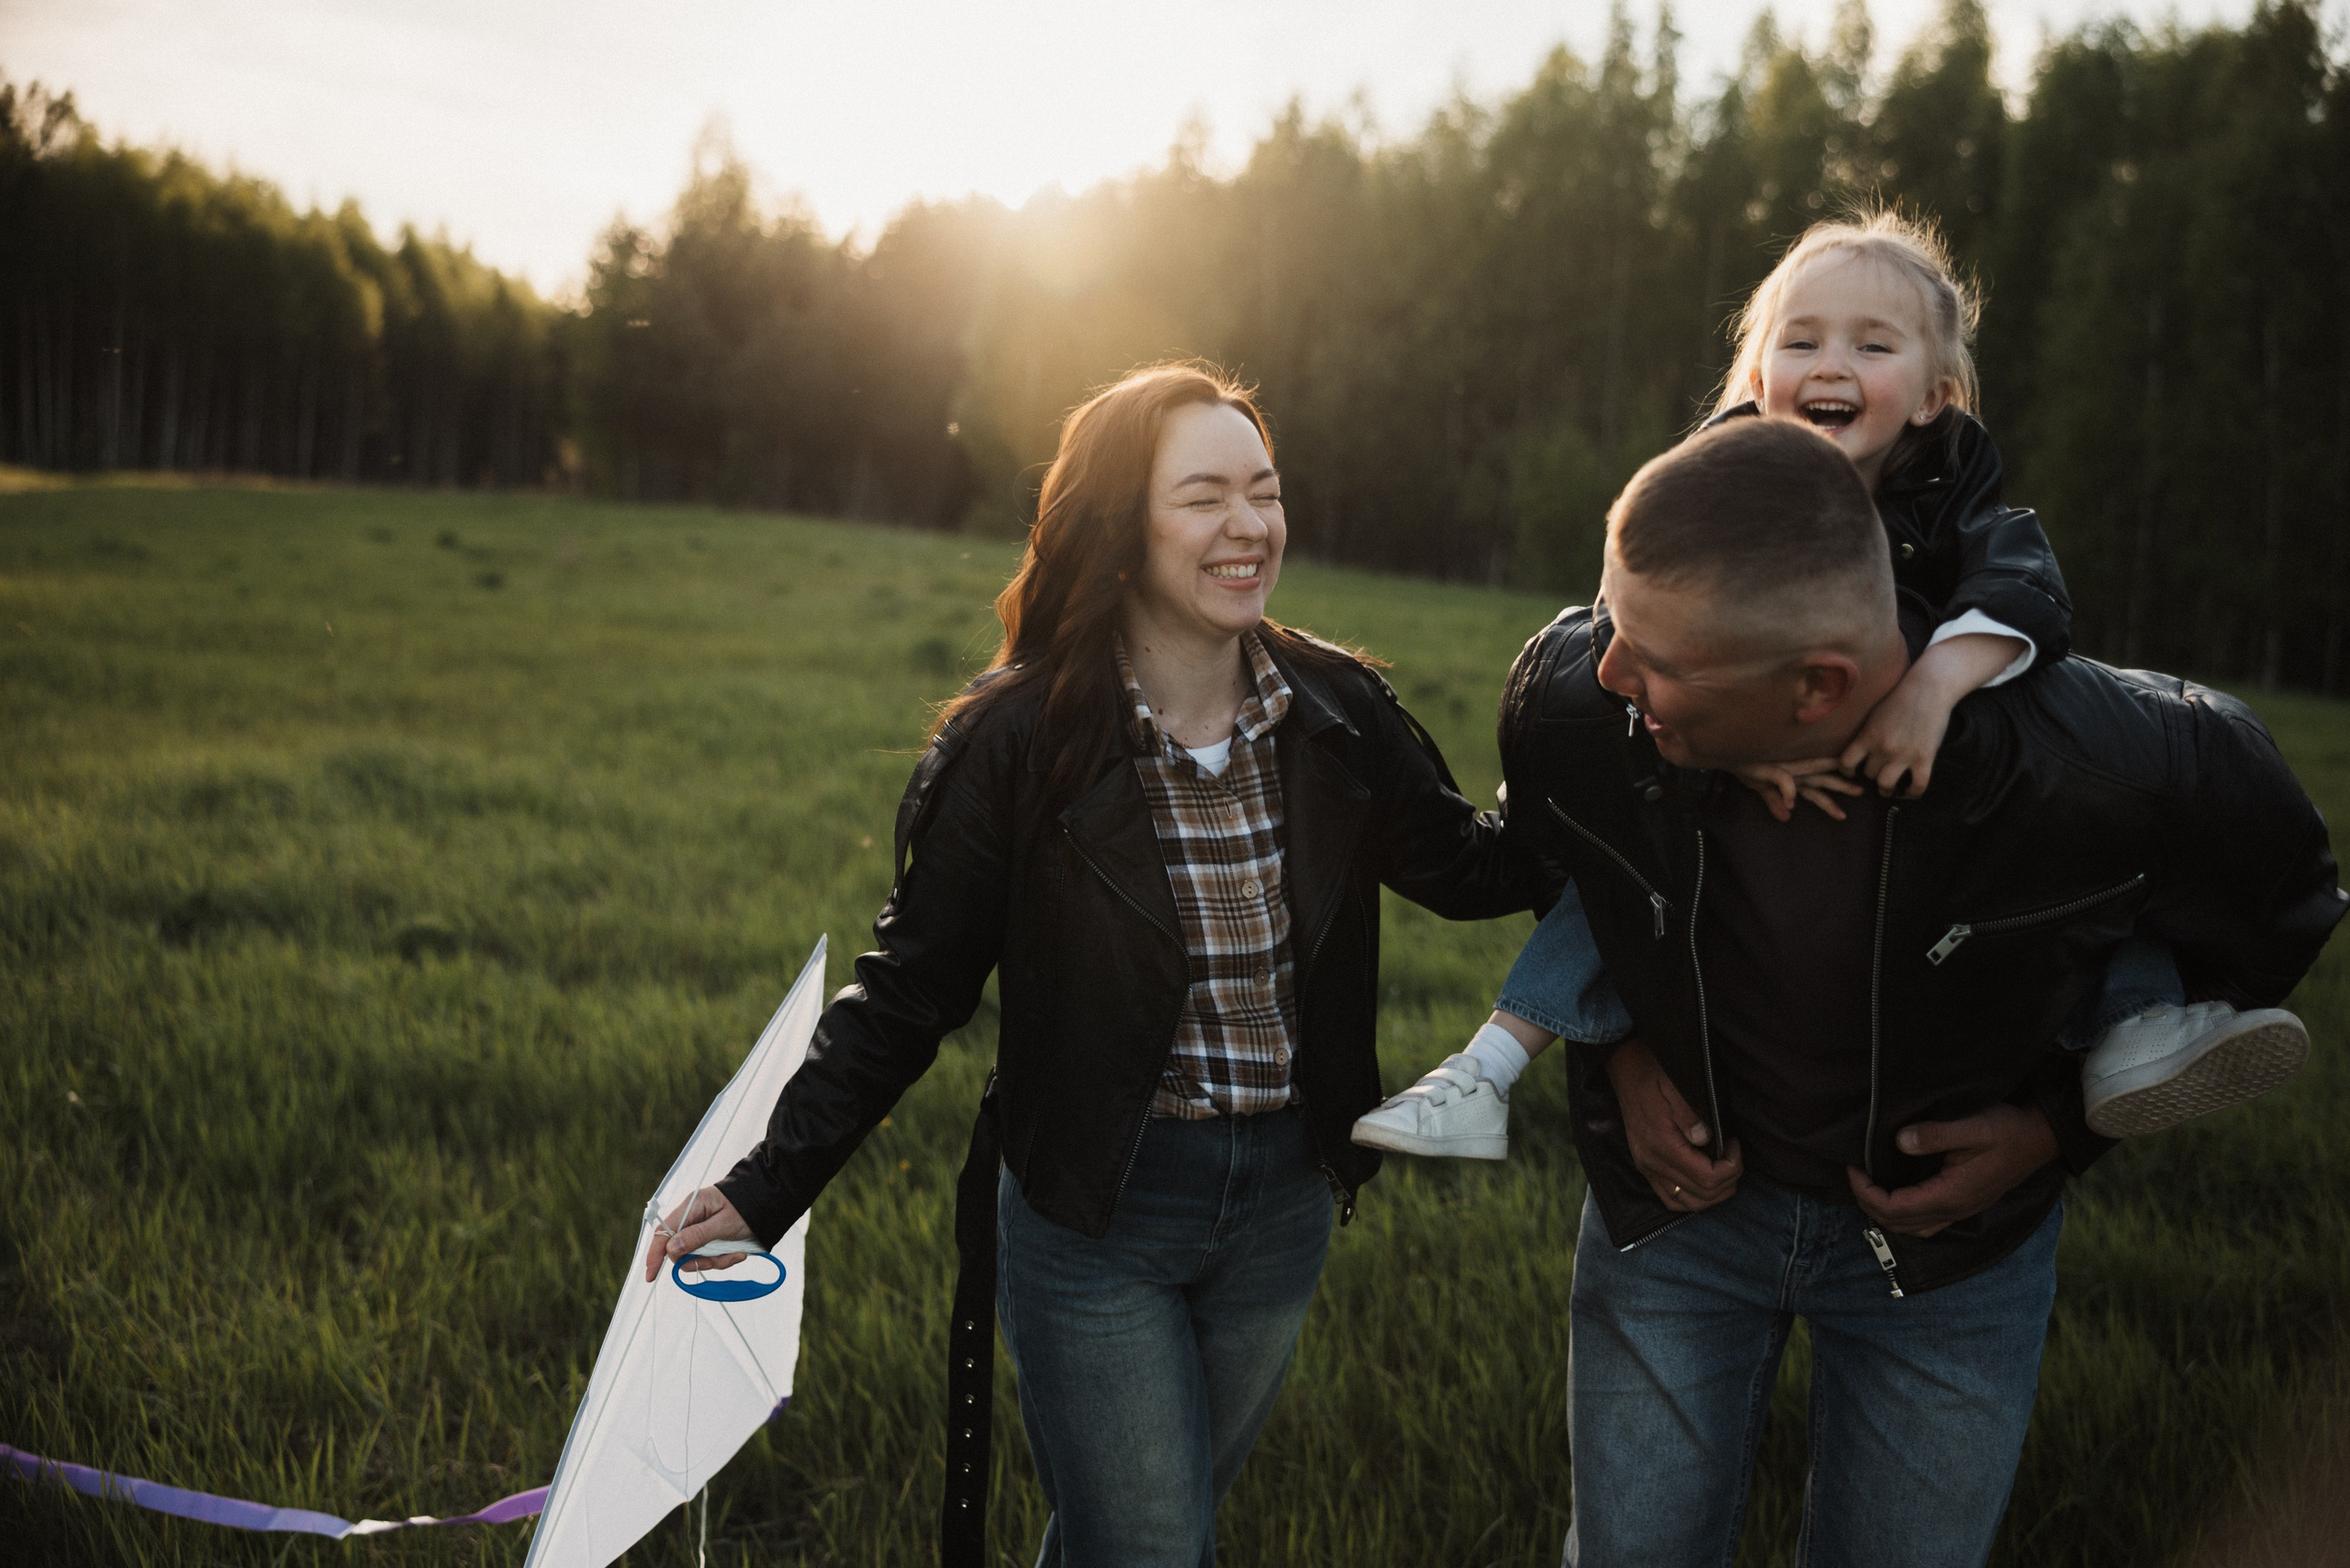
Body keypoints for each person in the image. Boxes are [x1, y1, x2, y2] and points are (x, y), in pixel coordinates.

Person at [640, 364, 1543, 1567]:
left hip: (1281, 1203)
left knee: (1131, 1538)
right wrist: (763, 1191)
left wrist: (1611, 727)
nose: (1249, 525)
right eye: (1205, 496)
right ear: (1124, 525)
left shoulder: (1337, 715)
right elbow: (910, 991)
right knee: (1155, 1548)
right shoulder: (1019, 745)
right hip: (1099, 1213)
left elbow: (1476, 871)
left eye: (1265, 492)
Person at [1499, 415, 2342, 1565]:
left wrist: (2054, 1130)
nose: (1607, 670)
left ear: (1816, 687)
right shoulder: (1575, 710)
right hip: (1679, 1233)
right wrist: (1616, 1052)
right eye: (1612, 621)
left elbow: (2275, 911)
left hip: (1955, 1263)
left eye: (1655, 659)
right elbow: (1565, 864)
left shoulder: (2111, 768)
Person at [1354, 211, 2309, 1161]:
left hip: (1938, 806)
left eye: (1871, 344)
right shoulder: (1713, 479)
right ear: (1758, 373)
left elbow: (2025, 596)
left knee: (2086, 851)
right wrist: (1746, 745)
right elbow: (1626, 610)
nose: (1829, 364)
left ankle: (2136, 1026)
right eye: (1799, 340)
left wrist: (1932, 687)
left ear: (1935, 394)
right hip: (1707, 778)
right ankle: (1484, 1067)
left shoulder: (1957, 493)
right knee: (1615, 887)